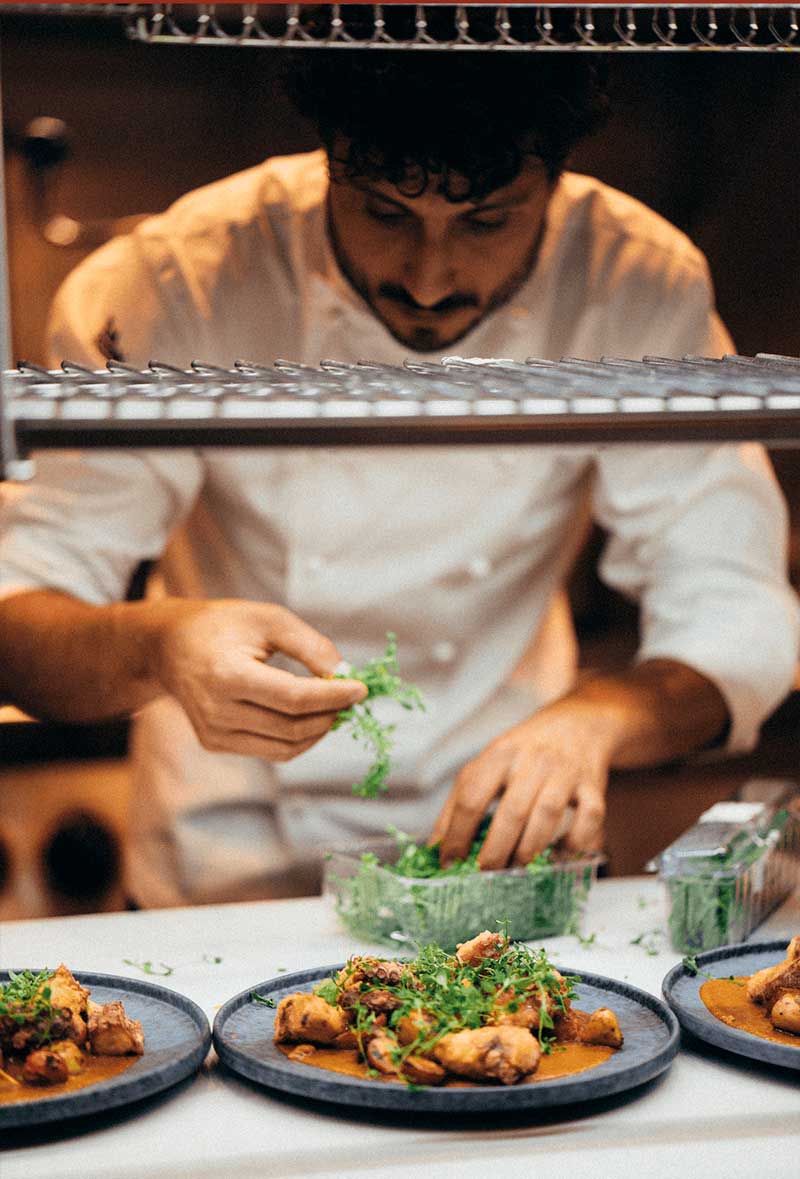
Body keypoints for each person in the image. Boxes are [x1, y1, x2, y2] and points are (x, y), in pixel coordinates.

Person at [0, 54, 797, 907]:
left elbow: (736, 609)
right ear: (329, 153)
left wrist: (599, 717)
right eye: (384, 211)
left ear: (556, 183)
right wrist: (159, 644)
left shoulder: (630, 278)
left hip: (499, 859)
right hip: (224, 869)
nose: (428, 278)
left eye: (488, 221)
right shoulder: (182, 274)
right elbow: (19, 615)